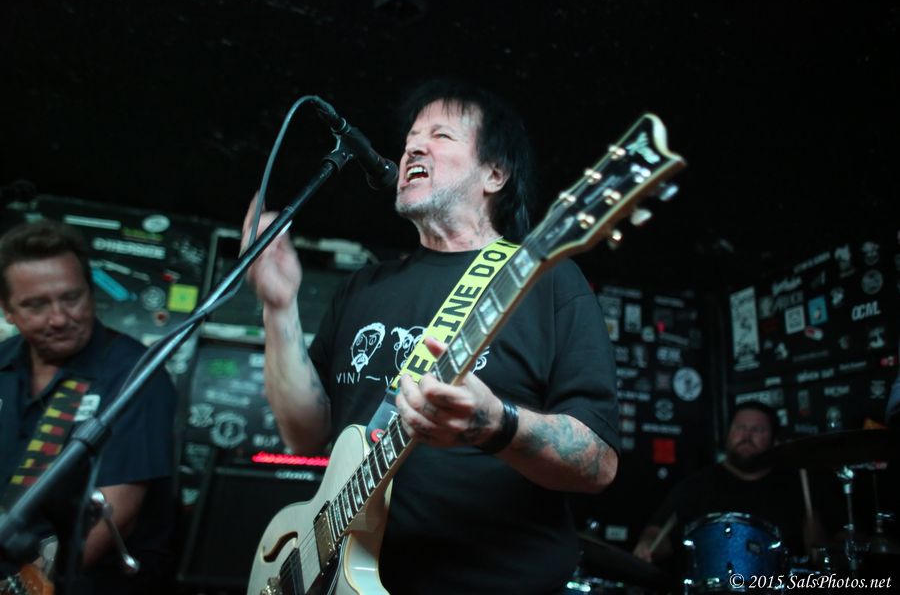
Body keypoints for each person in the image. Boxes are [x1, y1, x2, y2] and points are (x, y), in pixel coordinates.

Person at [245, 79, 621, 594]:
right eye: (410, 139)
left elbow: (598, 464)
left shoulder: (546, 281)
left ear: (495, 174)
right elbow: (304, 433)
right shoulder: (363, 287)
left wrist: (496, 425)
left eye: (441, 135)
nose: (413, 148)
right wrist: (278, 306)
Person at [0, 219, 178, 594]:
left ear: (91, 292)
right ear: (7, 310)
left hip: (76, 580)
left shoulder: (135, 373)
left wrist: (25, 587)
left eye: (71, 298)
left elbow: (117, 514)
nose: (59, 318)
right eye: (36, 305)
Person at [632, 401, 824, 571]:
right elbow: (657, 533)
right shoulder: (696, 485)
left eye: (758, 430)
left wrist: (818, 543)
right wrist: (648, 545)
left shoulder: (796, 487)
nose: (747, 436)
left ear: (775, 440)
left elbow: (827, 547)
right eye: (740, 427)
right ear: (728, 434)